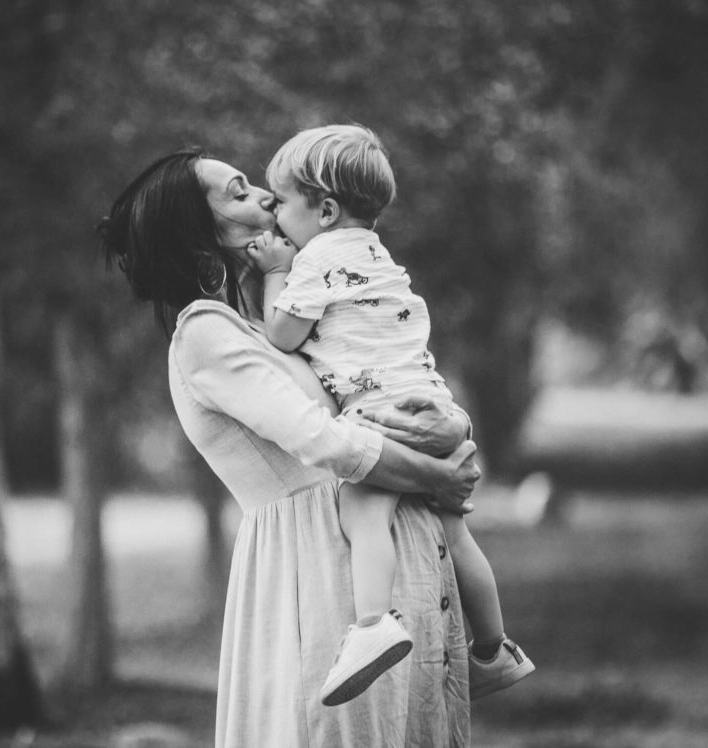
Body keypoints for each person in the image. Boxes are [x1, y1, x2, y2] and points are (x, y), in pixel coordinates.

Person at [99, 147, 481, 747]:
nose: (266, 199)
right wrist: (437, 477)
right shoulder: (204, 334)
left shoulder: (287, 326)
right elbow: (320, 439)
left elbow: (392, 379)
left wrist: (451, 432)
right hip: (320, 576)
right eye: (238, 192)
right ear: (199, 234)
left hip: (397, 564)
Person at [246, 124, 534, 706]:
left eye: (281, 204)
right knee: (454, 532)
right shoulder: (376, 253)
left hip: (380, 409)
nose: (274, 219)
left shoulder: (317, 259)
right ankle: (493, 649)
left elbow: (282, 333)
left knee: (361, 505)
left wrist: (276, 269)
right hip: (431, 398)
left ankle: (373, 625)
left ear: (325, 210)